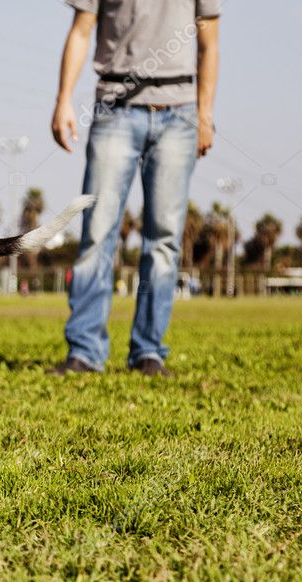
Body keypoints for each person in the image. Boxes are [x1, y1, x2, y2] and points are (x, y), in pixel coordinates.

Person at [48, 0, 220, 377]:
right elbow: (81, 29)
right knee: (97, 232)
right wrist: (63, 101)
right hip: (115, 107)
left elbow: (209, 42)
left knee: (163, 239)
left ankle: (149, 352)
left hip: (179, 112)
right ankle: (85, 352)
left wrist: (205, 116)